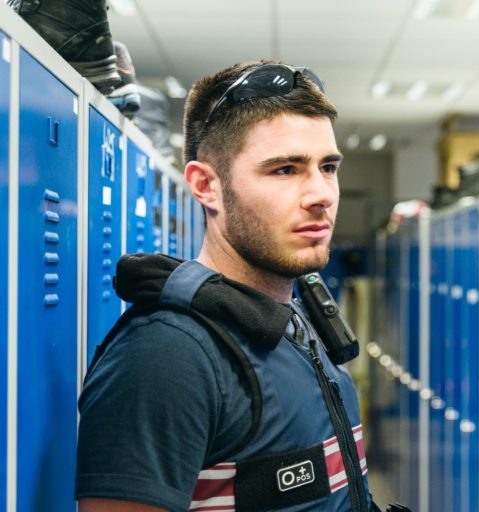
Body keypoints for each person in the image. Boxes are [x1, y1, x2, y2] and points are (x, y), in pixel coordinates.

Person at [76, 61, 373, 511]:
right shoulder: (167, 356)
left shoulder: (295, 324)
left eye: (327, 167)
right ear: (206, 185)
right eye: (285, 169)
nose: (321, 194)